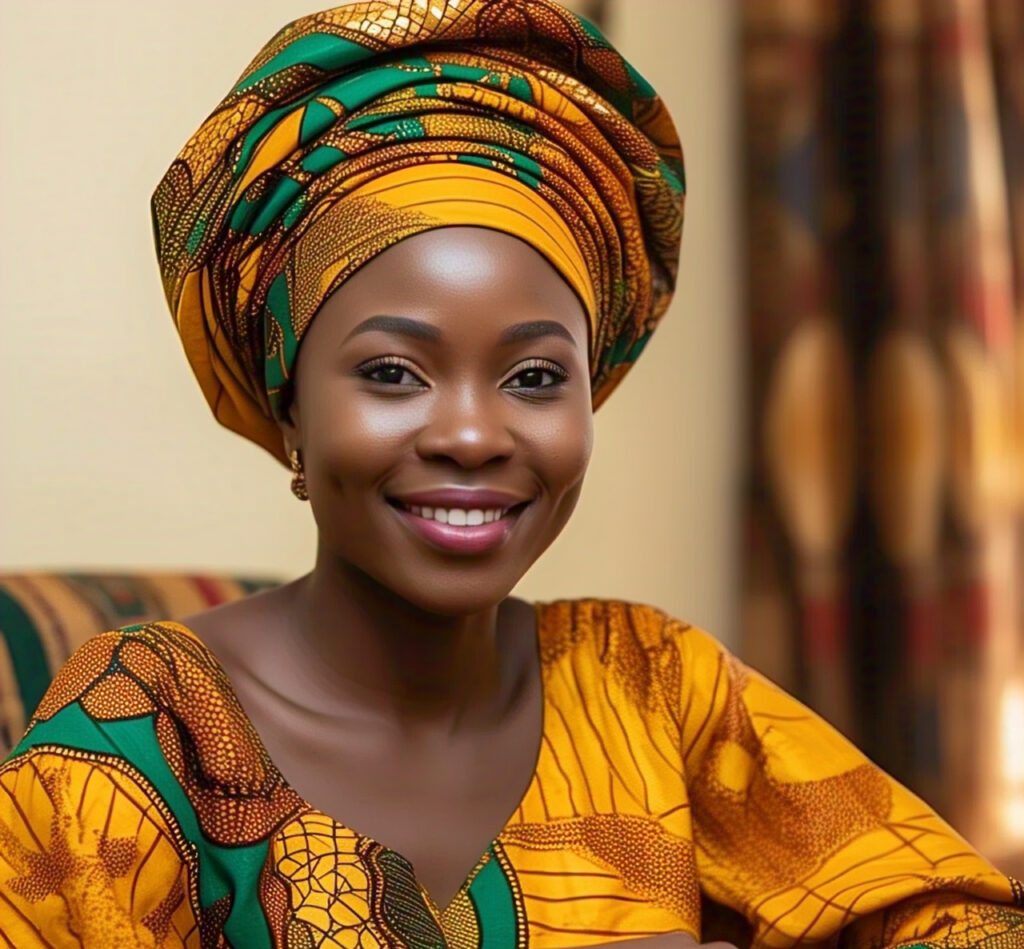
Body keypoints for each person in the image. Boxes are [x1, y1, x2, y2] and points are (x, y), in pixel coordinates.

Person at [0, 2, 1021, 947]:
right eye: (393, 372)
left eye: (534, 375)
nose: (474, 433)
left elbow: (952, 917)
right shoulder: (153, 724)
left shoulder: (651, 685)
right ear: (290, 405)